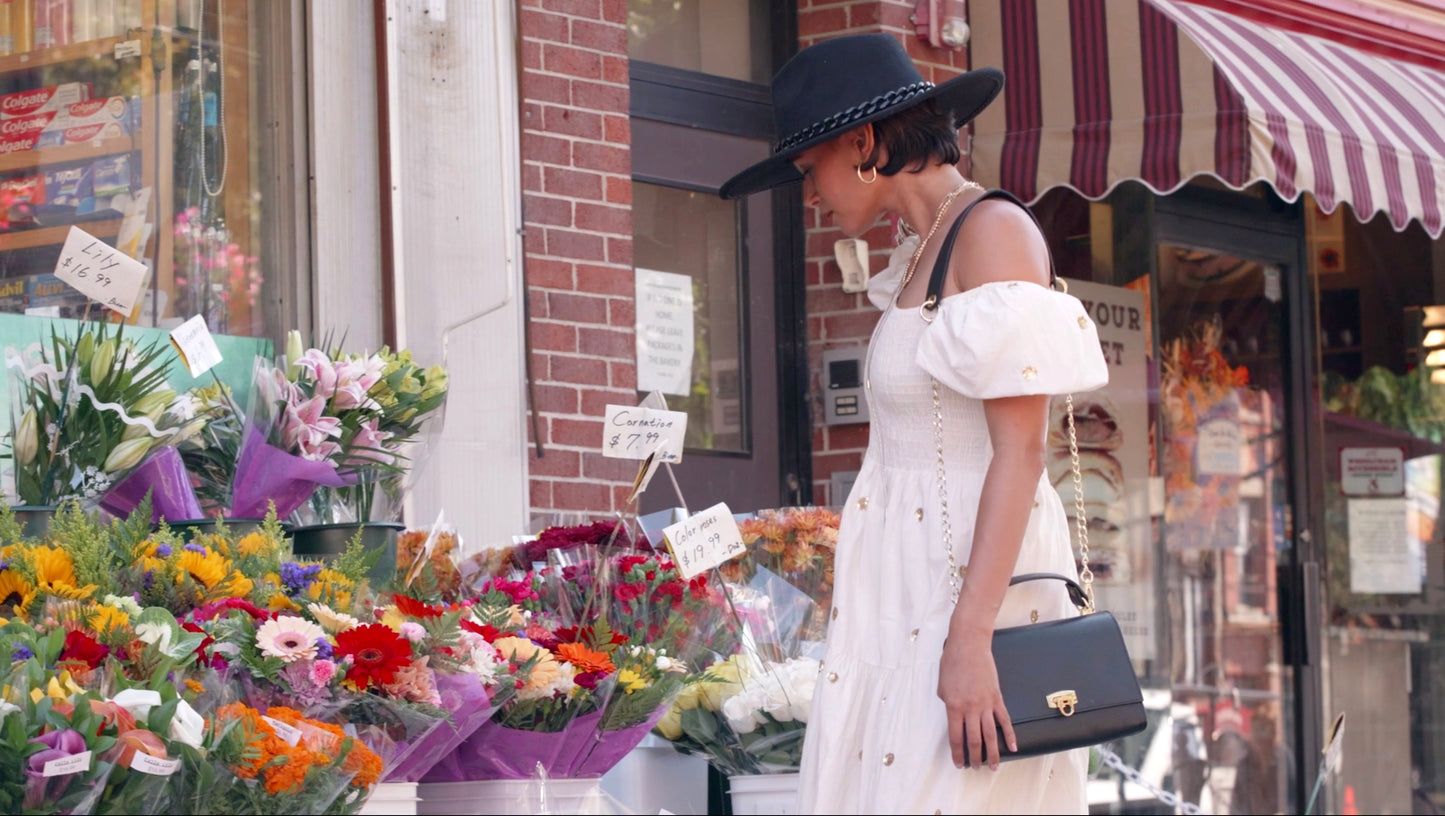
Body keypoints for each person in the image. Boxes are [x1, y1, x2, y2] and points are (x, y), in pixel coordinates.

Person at [719, 34, 1109, 814]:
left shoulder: (991, 233)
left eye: (809, 171)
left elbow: (1021, 452)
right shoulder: (921, 250)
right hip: (902, 590)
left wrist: (968, 642)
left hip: (970, 593)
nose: (810, 193)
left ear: (861, 142)